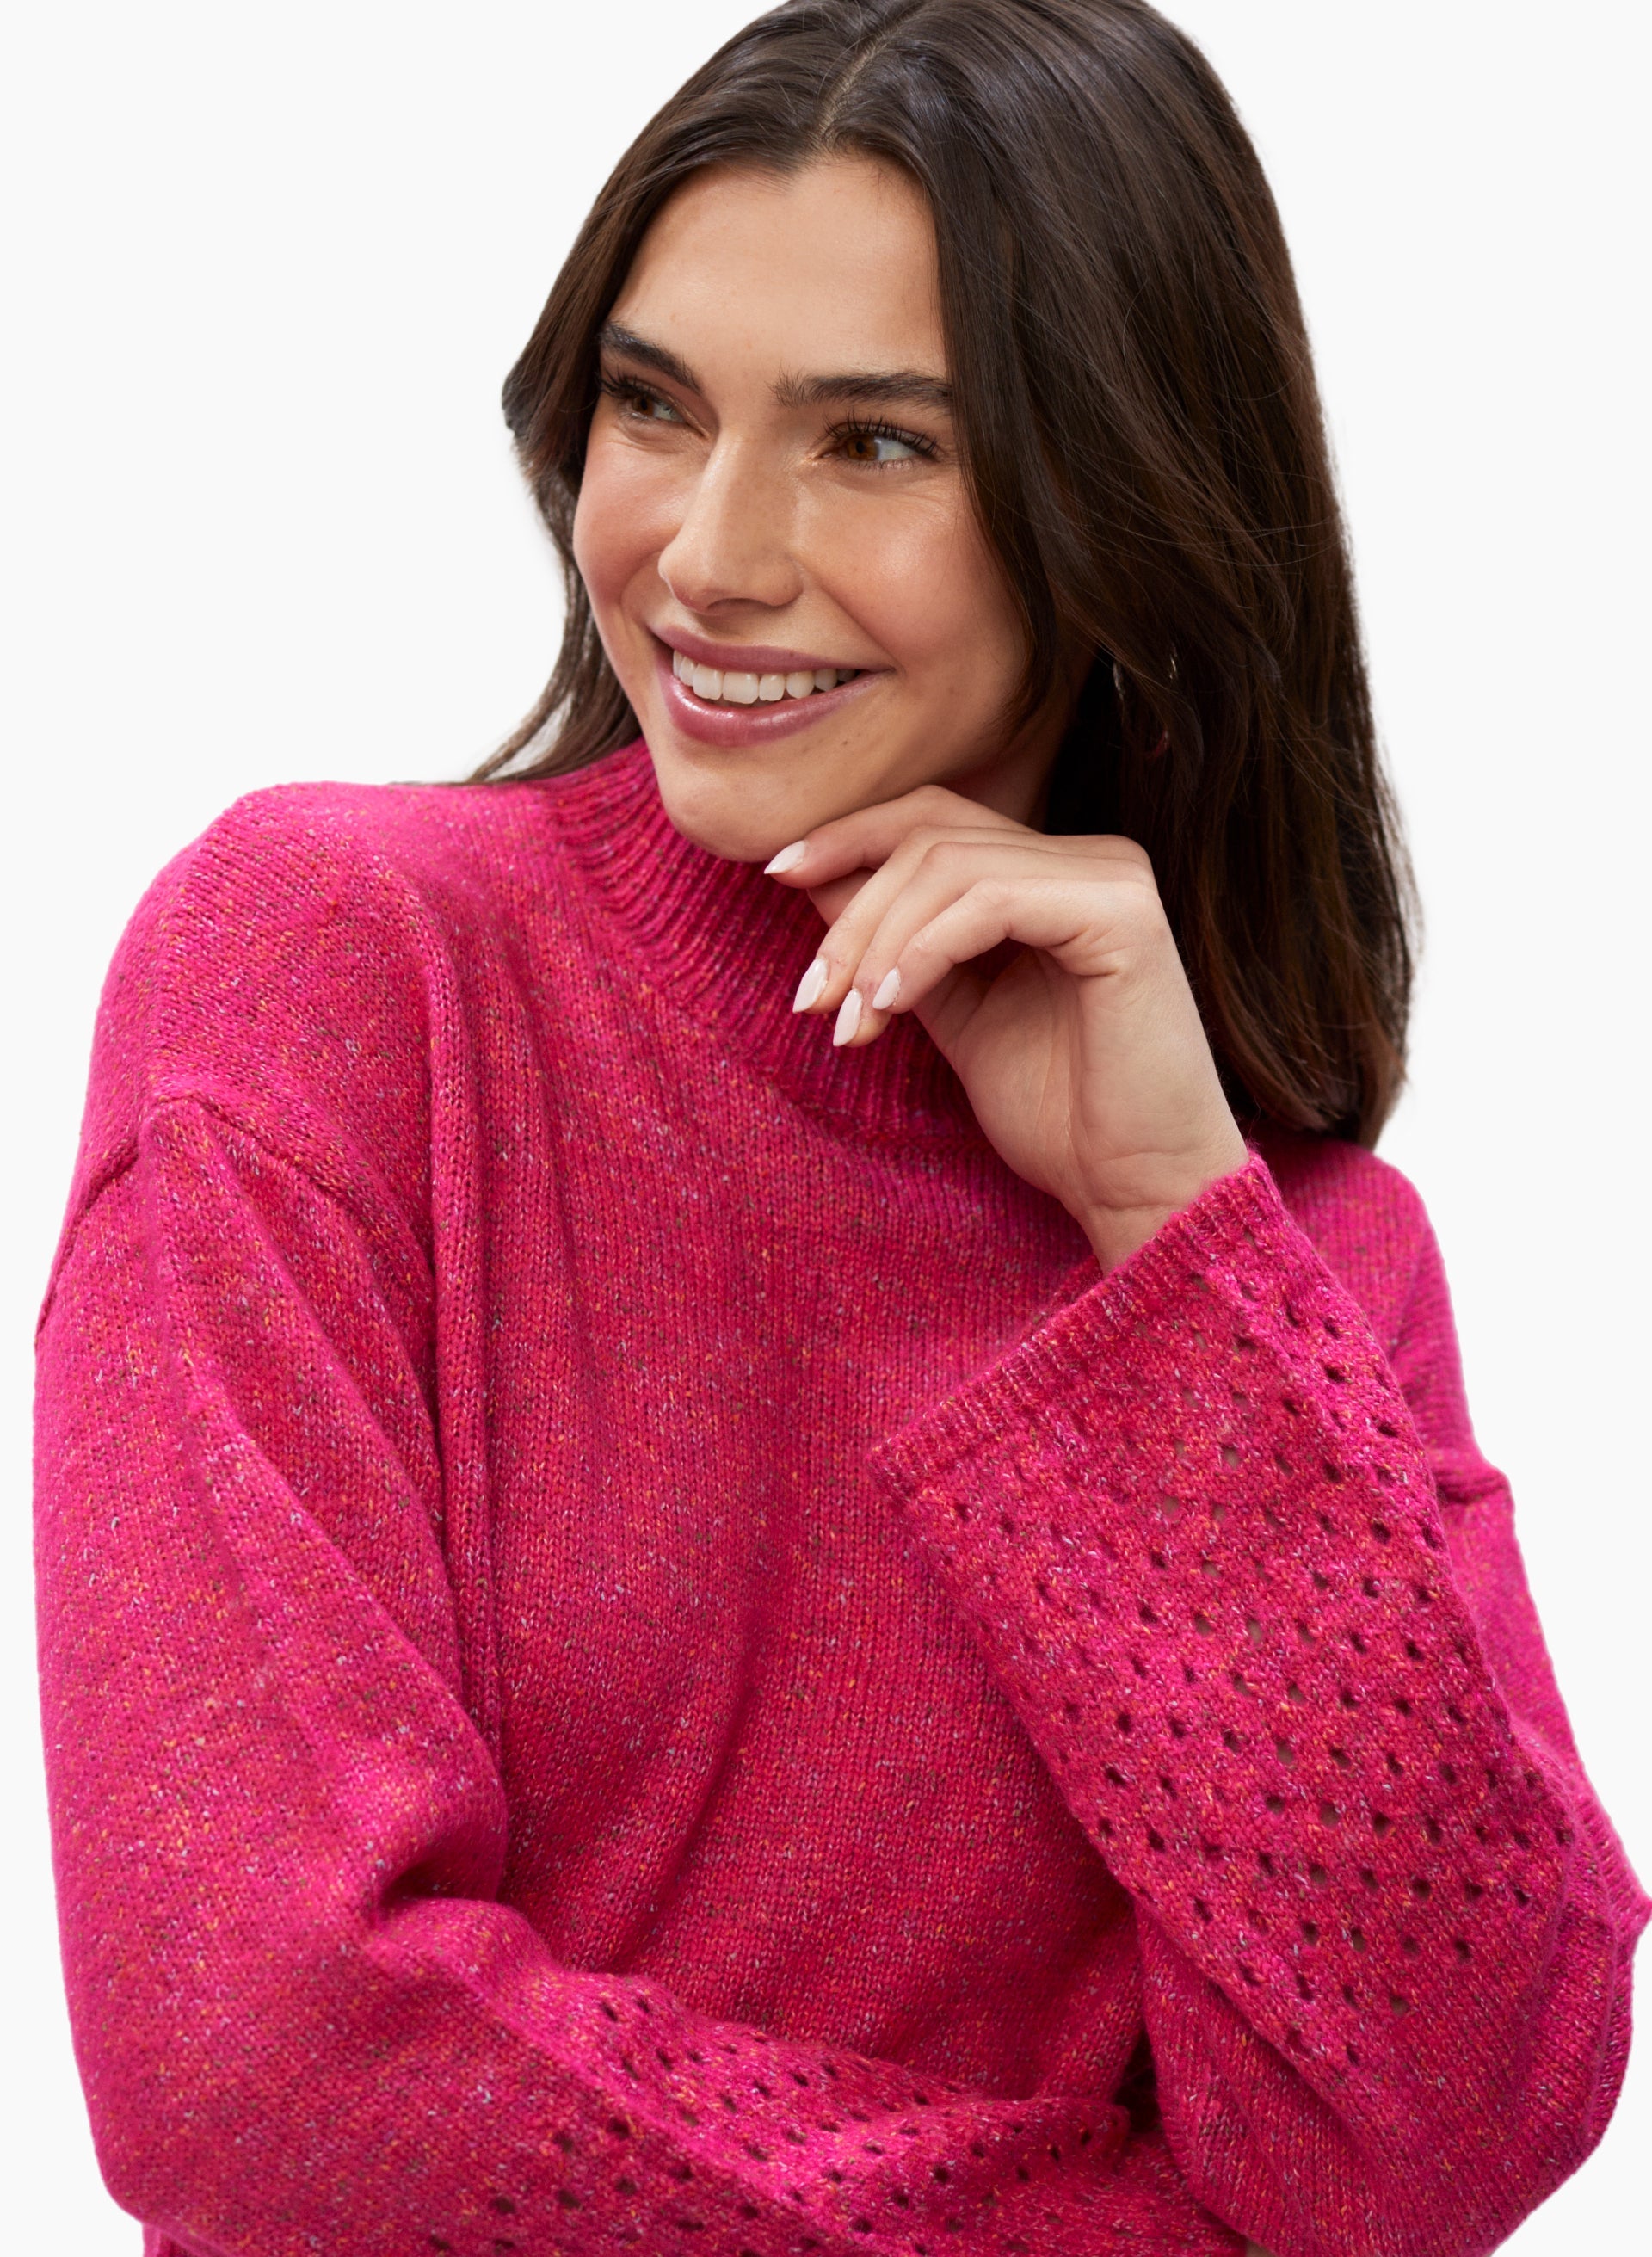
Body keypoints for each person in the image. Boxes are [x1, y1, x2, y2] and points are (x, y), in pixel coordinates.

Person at [33, 3, 1647, 2254]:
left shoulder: (1293, 1262)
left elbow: (1447, 2140)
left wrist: (1165, 1233)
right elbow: (269, 2068)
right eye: (654, 406)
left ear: (1125, 507)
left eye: (873, 443)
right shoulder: (334, 980)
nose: (707, 554)